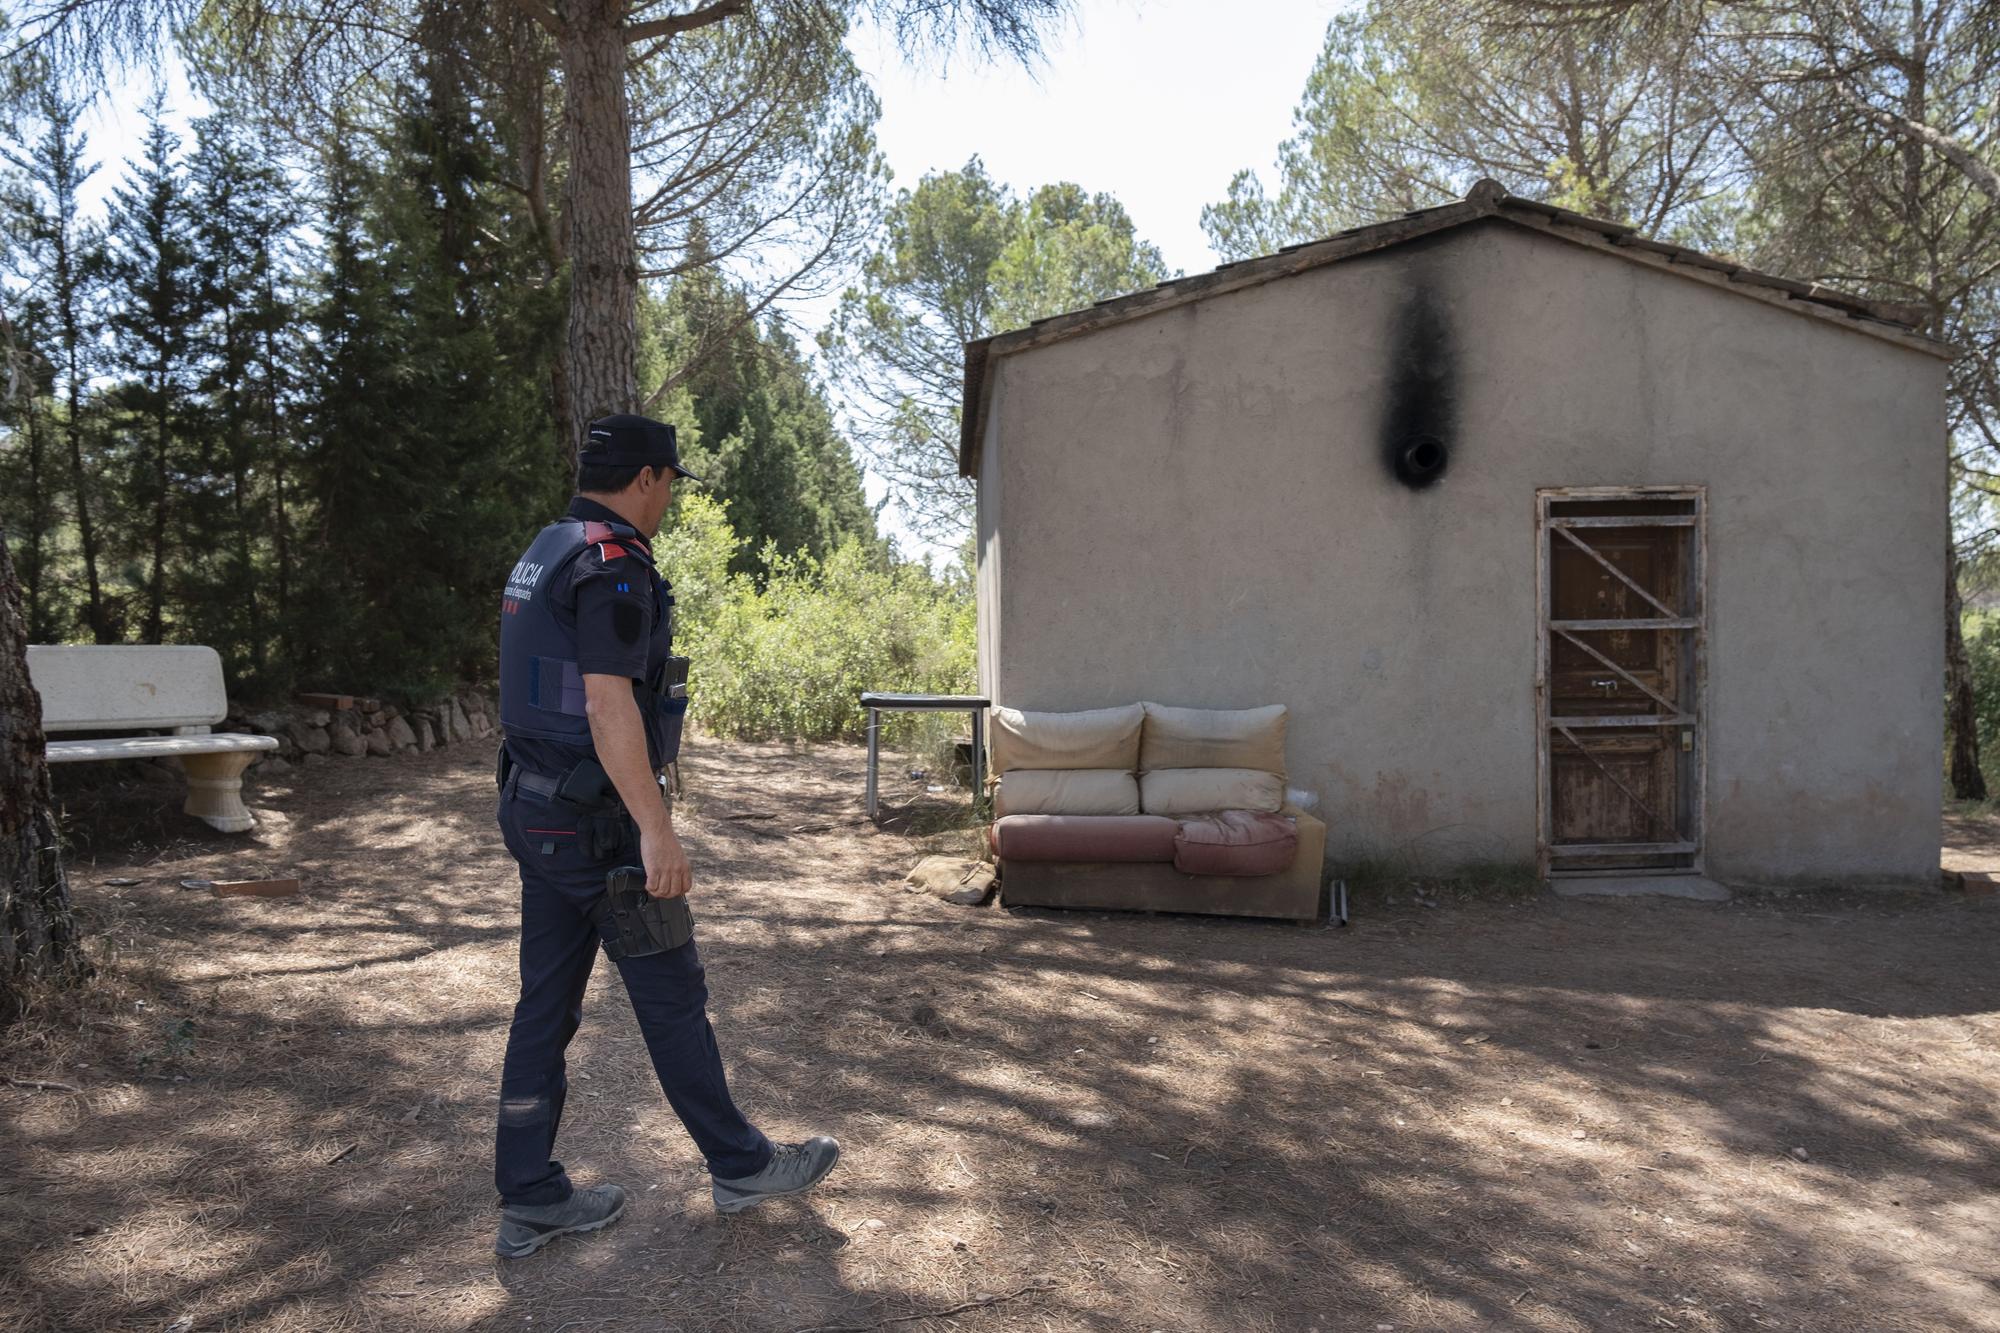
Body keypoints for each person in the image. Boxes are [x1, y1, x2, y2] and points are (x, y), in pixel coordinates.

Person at [489, 413, 838, 1259]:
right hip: (596, 827)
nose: (671, 498)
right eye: (672, 482)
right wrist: (657, 830)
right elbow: (608, 705)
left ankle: (529, 1192)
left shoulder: (548, 548)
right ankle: (741, 1164)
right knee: (672, 995)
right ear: (648, 477)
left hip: (536, 810)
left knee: (546, 1002)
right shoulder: (613, 568)